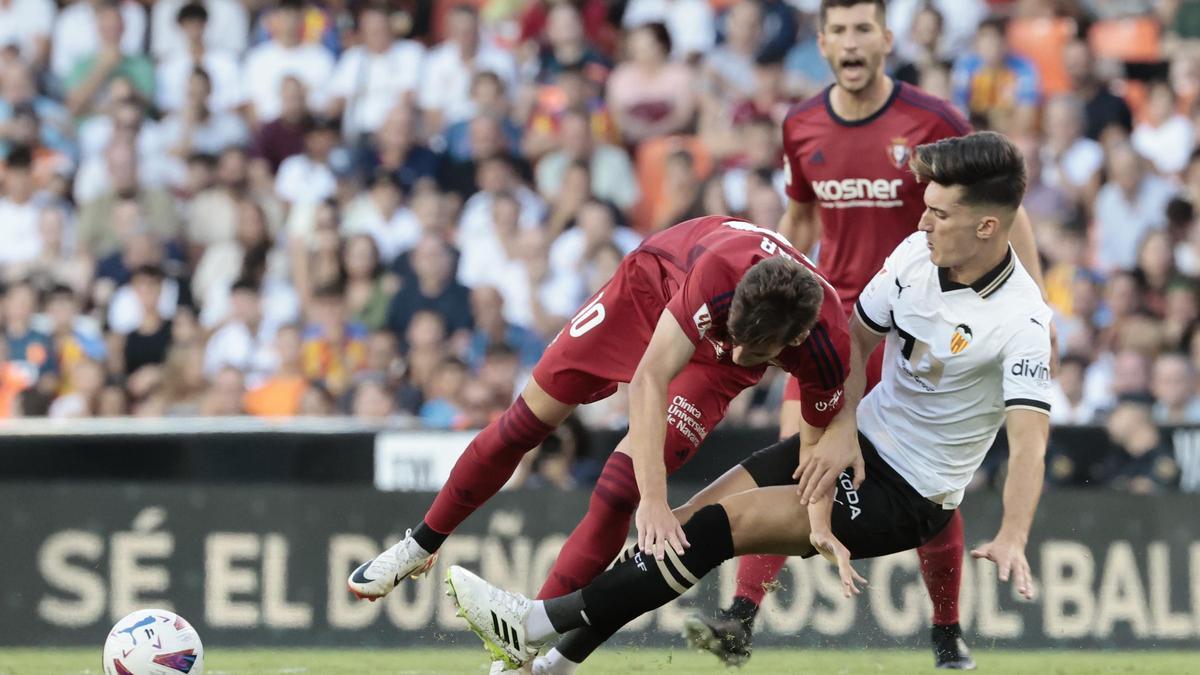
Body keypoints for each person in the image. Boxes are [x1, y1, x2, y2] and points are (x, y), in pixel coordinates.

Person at [449, 131, 1053, 675]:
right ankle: (550, 667)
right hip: (857, 446)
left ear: (987, 228)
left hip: (909, 494)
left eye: (940, 214)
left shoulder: (1022, 322)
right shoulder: (917, 255)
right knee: (675, 533)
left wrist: (1014, 535)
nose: (923, 222)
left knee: (722, 527)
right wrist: (842, 424)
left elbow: (1029, 445)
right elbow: (857, 339)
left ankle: (532, 623)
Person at [694, 2, 1048, 668]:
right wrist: (774, 300)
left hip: (919, 325)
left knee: (927, 492)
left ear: (886, 40)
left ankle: (946, 631)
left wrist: (1029, 300)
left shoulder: (935, 121)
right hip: (833, 330)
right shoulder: (799, 124)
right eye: (840, 30)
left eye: (865, 29)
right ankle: (741, 616)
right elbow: (798, 221)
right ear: (822, 43)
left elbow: (1000, 208)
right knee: (801, 457)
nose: (852, 42)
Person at [347, 215, 861, 636]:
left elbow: (811, 449)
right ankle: (418, 546)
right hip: (648, 291)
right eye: (741, 338)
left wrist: (819, 522)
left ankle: (524, 646)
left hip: (712, 365)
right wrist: (657, 504)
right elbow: (649, 378)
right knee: (524, 425)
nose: (748, 353)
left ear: (794, 340)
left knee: (618, 491)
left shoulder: (825, 345)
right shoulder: (719, 274)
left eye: (761, 355)